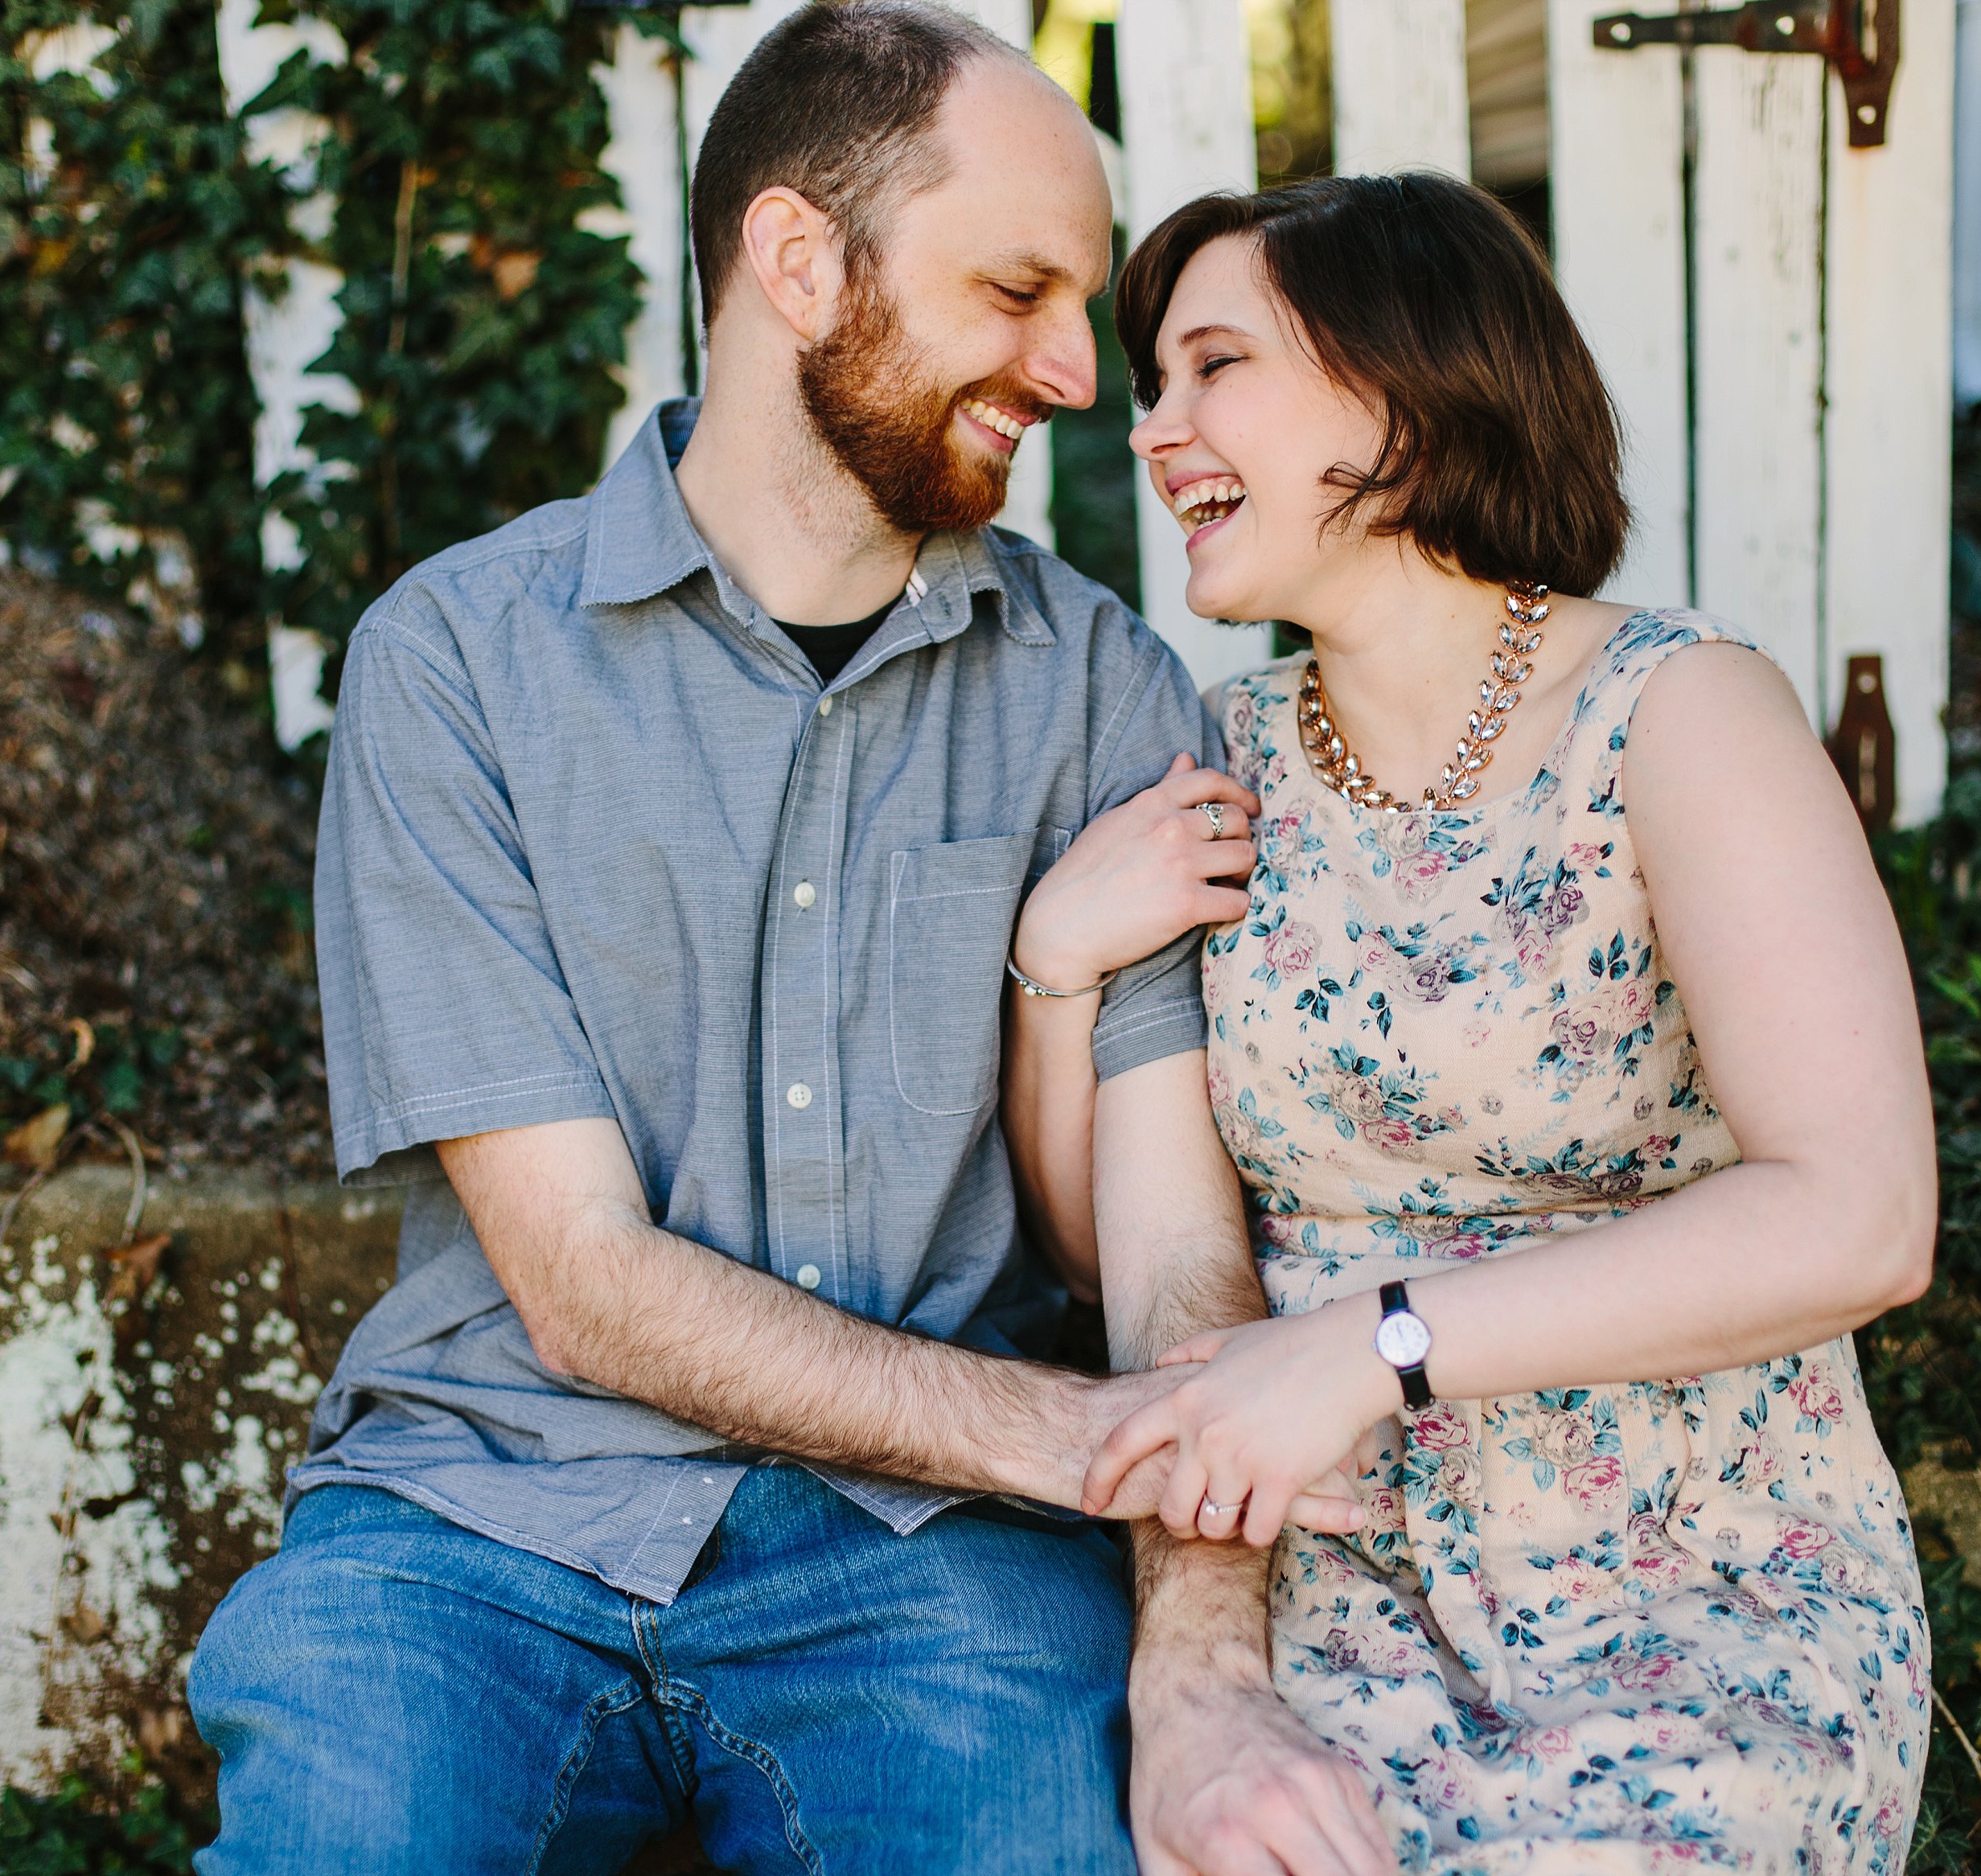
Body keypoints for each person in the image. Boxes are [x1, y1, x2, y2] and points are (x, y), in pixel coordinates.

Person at [186, 7, 1395, 1874]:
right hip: (479, 1521)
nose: (1080, 375)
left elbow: (1172, 1266)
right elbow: (582, 1283)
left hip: (927, 1566)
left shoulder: (1098, 695)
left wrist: (1203, 1670)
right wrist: (1075, 1440)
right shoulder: (455, 662)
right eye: (1018, 291)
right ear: (798, 261)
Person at [1002, 174, 1938, 1870]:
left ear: (1406, 394)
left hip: (1685, 1557)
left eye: (1214, 367)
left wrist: (1370, 1352)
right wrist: (1058, 971)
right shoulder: (1224, 754)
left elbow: (1858, 1215)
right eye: (1155, 385)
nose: (1154, 431)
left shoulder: (1677, 711)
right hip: (1325, 1562)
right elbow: (1107, 1256)